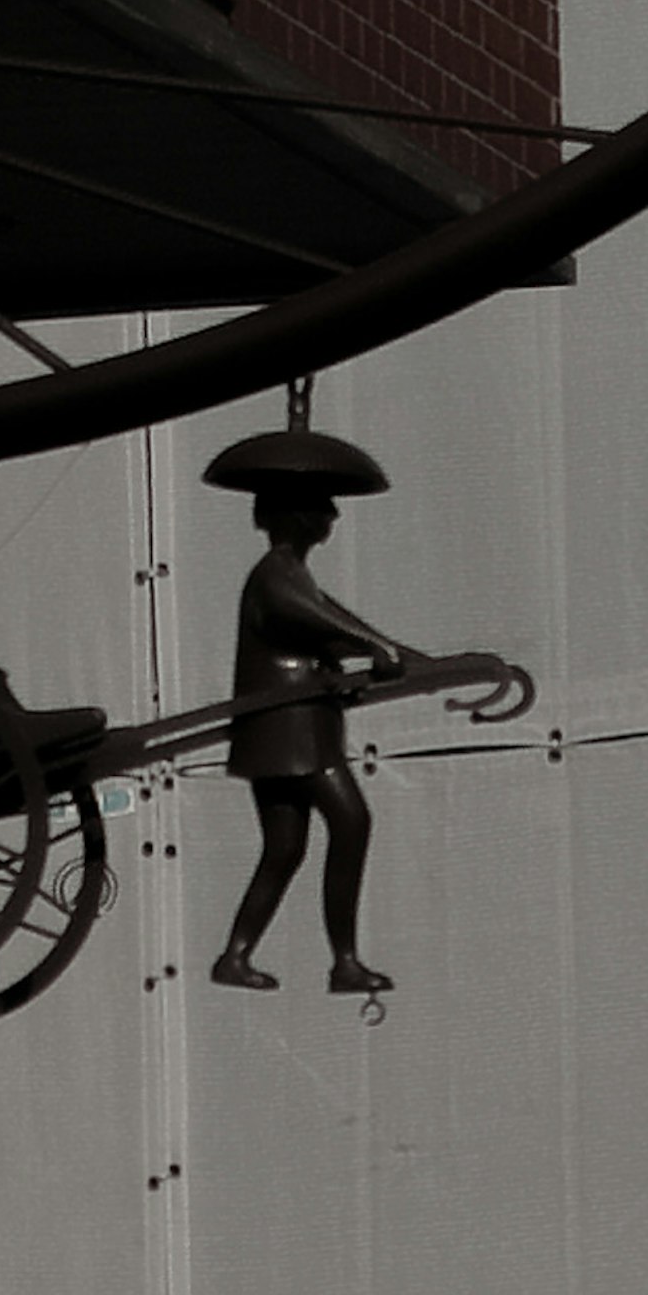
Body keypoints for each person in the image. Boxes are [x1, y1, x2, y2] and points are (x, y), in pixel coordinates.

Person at [203, 419, 423, 999]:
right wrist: (378, 647)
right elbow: (318, 622)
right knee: (350, 822)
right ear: (297, 515)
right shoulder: (275, 577)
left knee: (284, 849)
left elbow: (337, 620)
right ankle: (343, 962)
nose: (333, 518)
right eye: (323, 508)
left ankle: (237, 955)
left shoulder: (294, 574)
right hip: (290, 732)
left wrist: (403, 653)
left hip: (296, 729)